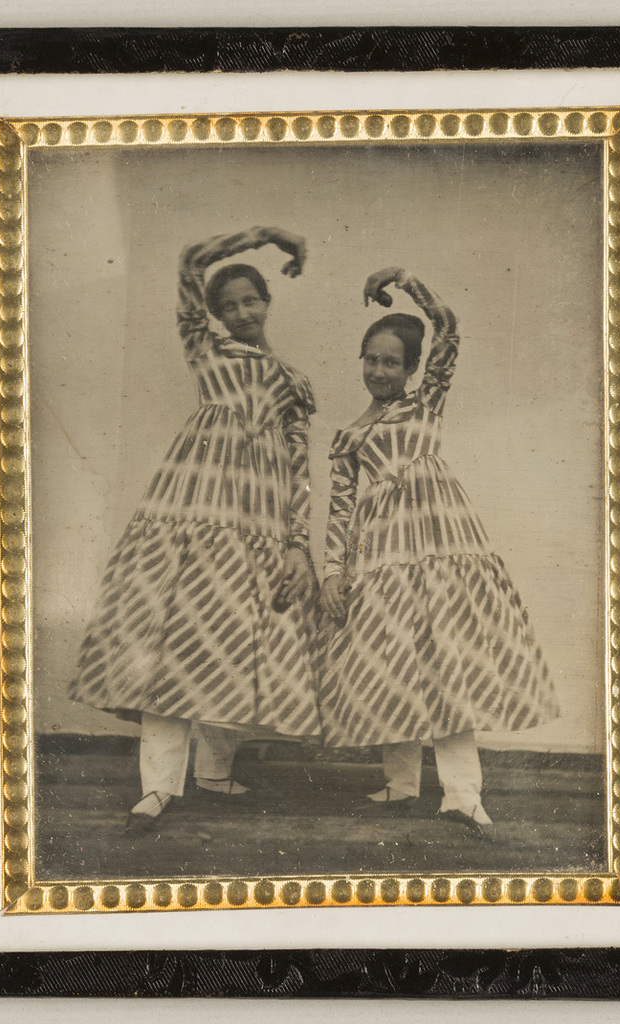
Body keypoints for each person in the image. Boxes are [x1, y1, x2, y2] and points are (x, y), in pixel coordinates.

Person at [69, 226, 321, 832]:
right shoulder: (207, 353)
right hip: (193, 508)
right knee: (173, 634)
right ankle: (157, 787)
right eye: (227, 305)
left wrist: (295, 542)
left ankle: (212, 771)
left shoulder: (291, 380)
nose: (240, 313)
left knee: (239, 636)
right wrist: (265, 237)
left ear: (267, 303)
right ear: (214, 315)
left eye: (250, 301)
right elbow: (188, 260)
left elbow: (298, 465)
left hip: (257, 518)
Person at [319, 267, 558, 841]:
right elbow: (340, 509)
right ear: (362, 361)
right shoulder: (350, 437)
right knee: (390, 659)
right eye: (371, 359)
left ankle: (462, 794)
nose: (381, 370)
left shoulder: (425, 404)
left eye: (393, 362)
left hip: (442, 547)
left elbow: (447, 327)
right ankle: (401, 784)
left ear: (410, 370)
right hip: (381, 555)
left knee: (446, 659)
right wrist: (333, 571)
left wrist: (405, 280)